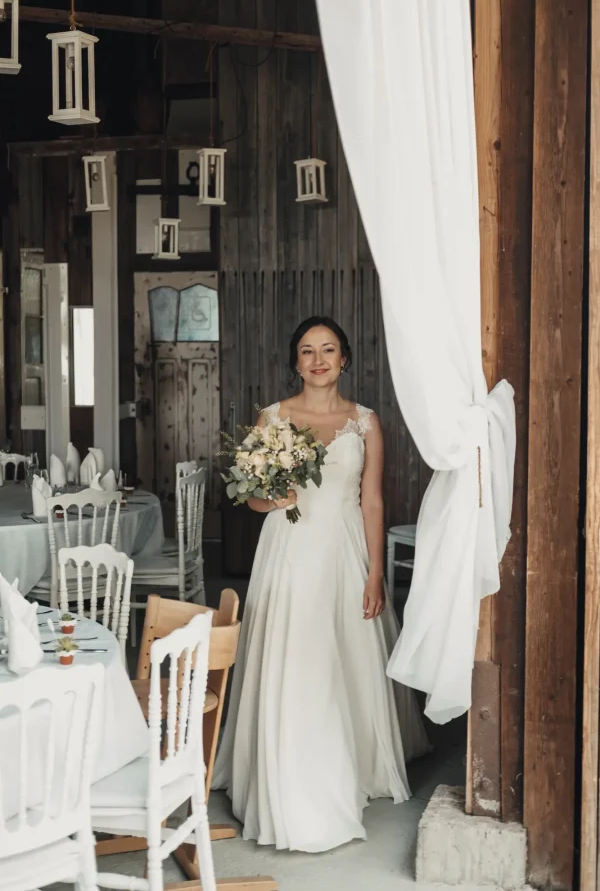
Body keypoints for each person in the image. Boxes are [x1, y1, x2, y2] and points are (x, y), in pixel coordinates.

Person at [212, 316, 430, 853]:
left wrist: (376, 570)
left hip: (345, 550)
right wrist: (275, 499)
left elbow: (372, 500)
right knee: (295, 659)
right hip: (288, 552)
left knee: (344, 659)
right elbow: (252, 498)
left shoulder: (365, 422)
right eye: (307, 351)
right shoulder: (275, 417)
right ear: (296, 362)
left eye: (328, 349)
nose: (317, 360)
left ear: (344, 359)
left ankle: (350, 762)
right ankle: (291, 776)